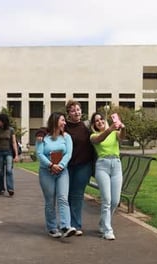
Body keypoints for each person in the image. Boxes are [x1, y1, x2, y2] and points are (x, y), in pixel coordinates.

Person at [36, 112, 76, 238]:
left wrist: (61, 166)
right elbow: (39, 154)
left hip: (62, 171)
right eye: (62, 120)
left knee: (63, 198)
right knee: (50, 201)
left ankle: (65, 226)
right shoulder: (42, 137)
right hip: (46, 172)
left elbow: (68, 154)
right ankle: (52, 228)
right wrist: (51, 165)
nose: (65, 123)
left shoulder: (66, 137)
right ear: (55, 121)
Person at [89, 111, 126, 240]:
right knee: (107, 199)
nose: (100, 122)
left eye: (102, 119)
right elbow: (100, 139)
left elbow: (122, 137)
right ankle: (107, 230)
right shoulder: (93, 136)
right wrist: (109, 129)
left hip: (116, 165)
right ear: (94, 125)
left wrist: (122, 127)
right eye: (96, 121)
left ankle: (102, 223)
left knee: (115, 200)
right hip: (102, 166)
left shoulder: (114, 133)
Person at [64, 100, 95, 236]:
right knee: (66, 195)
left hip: (84, 165)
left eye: (78, 109)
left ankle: (75, 225)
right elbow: (48, 128)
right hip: (68, 166)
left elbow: (101, 132)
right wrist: (40, 133)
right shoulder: (64, 127)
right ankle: (67, 223)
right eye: (73, 110)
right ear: (68, 114)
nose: (76, 112)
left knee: (77, 194)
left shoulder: (87, 127)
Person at [0, 113, 19, 196]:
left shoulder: (11, 130)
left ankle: (10, 188)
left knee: (9, 170)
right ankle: (1, 188)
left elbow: (14, 142)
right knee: (0, 172)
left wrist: (16, 155)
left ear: (3, 121)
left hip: (8, 152)